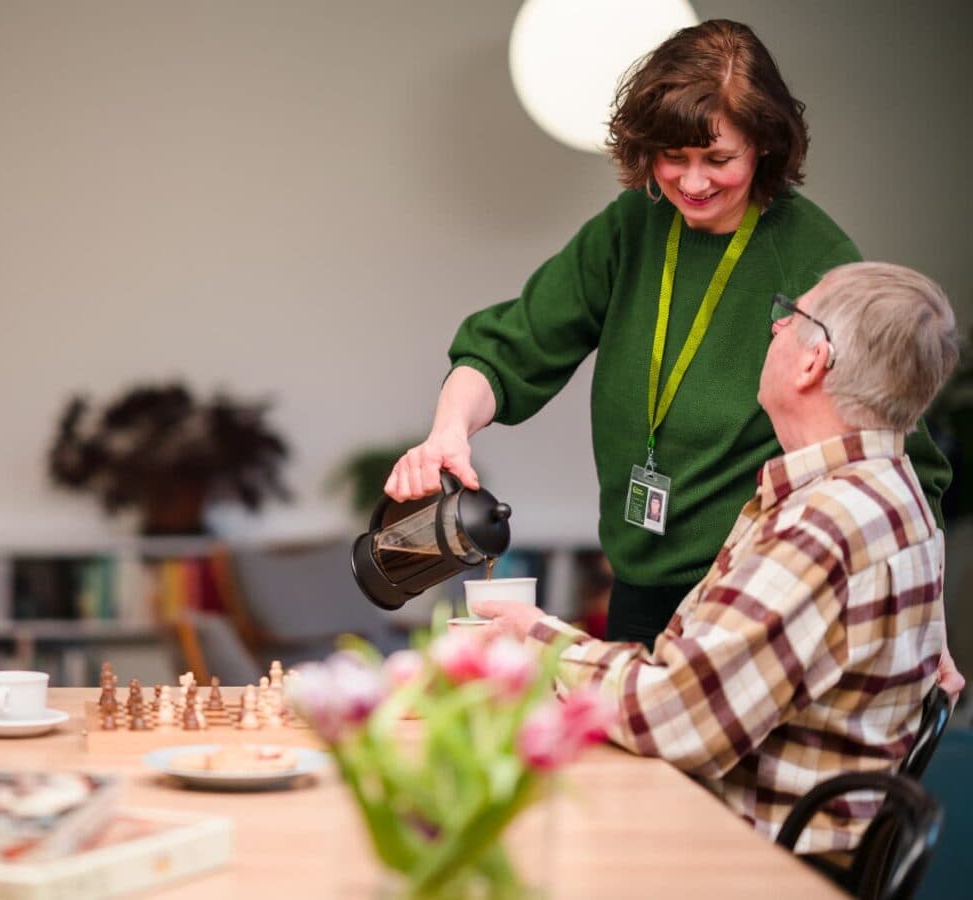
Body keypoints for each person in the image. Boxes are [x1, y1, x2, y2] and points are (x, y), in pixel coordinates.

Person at [384, 18, 953, 653]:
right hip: (637, 584)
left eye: (719, 159)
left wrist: (922, 633)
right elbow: (508, 347)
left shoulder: (815, 258)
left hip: (753, 598)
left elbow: (904, 465)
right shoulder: (635, 224)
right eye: (672, 157)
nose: (693, 182)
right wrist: (447, 432)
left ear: (764, 145)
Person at [471, 261, 960, 854]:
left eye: (792, 316)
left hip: (744, 860)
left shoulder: (824, 525)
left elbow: (676, 716)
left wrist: (539, 641)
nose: (775, 329)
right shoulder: (895, 489)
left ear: (813, 361)